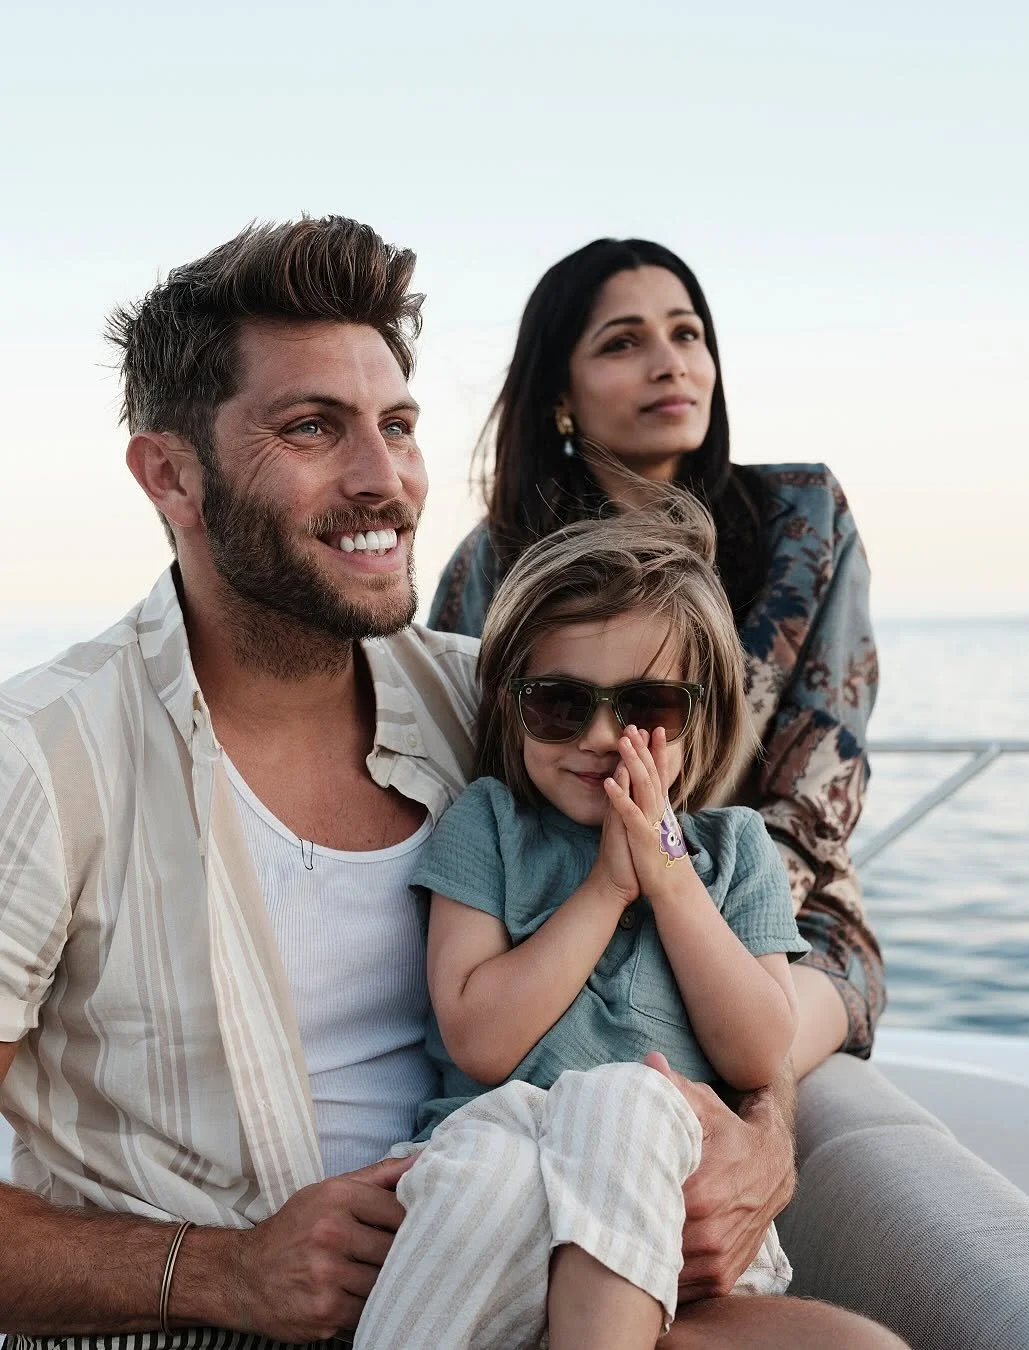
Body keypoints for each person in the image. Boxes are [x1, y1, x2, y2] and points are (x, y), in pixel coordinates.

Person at [0, 217, 902, 1350]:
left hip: (555, 1268)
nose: (385, 481)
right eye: (313, 428)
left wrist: (758, 1136)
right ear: (171, 475)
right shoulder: (41, 760)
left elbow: (769, 950)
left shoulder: (499, 701)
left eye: (399, 426)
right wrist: (221, 1272)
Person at [354, 494, 808, 1349]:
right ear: (511, 707)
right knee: (480, 1164)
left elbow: (756, 1051)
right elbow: (481, 1041)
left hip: (670, 1211)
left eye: (646, 708)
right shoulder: (490, 824)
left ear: (697, 718)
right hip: (501, 1183)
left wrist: (668, 879)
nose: (602, 736)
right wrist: (604, 891)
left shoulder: (736, 850)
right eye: (561, 704)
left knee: (630, 1097)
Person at [430, 237, 886, 1079]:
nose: (669, 364)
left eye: (687, 334)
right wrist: (588, 898)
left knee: (768, 1038)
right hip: (548, 892)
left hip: (772, 897)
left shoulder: (804, 520)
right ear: (561, 392)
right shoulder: (491, 563)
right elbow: (471, 756)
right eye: (623, 342)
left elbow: (824, 771)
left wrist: (691, 898)